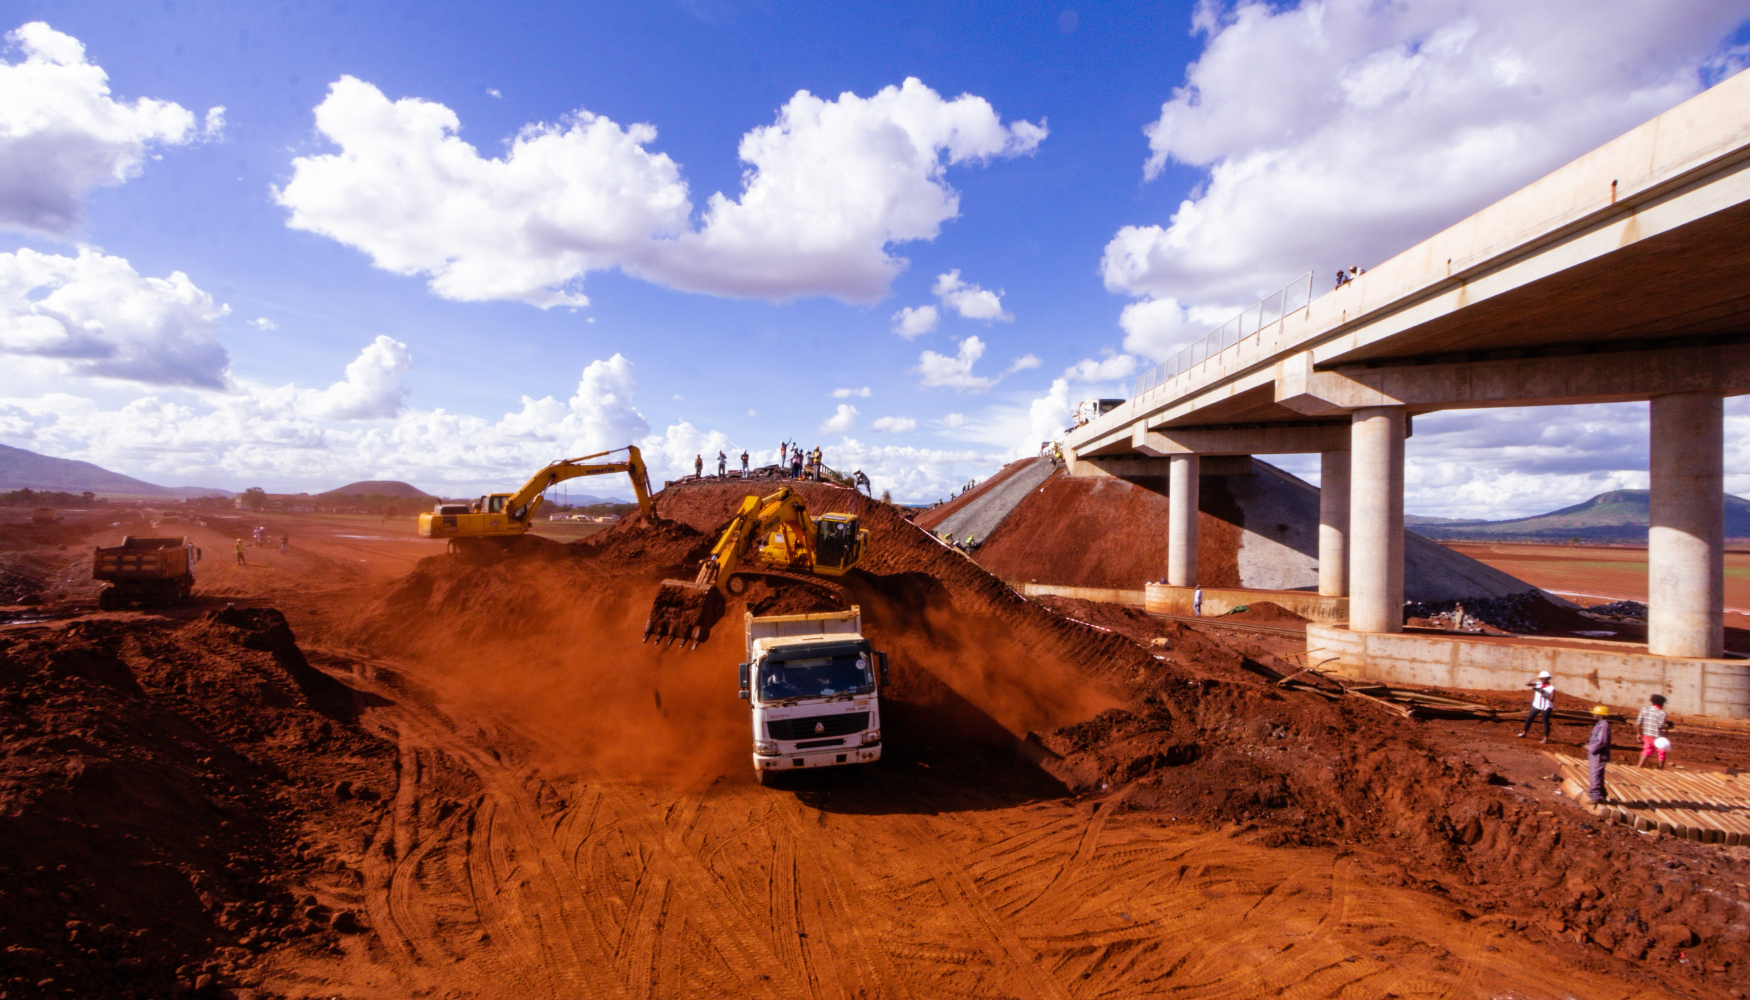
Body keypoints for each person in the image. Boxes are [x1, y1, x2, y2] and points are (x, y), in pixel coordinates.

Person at [1585, 705, 1612, 804]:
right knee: (1598, 775)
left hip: (1599, 754)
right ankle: (1601, 794)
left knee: (1594, 775)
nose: (1593, 714)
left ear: (1600, 715)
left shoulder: (1603, 725)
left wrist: (1590, 748)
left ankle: (1596, 796)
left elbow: (1602, 741)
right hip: (1596, 754)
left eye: (1595, 713)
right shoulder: (1600, 724)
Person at [1518, 670, 1555, 742]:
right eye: (1541, 678)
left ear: (1548, 679)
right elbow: (1527, 684)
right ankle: (1524, 733)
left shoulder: (1551, 688)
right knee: (1529, 718)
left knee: (1545, 722)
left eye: (1544, 678)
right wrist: (1535, 678)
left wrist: (1543, 694)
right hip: (1536, 705)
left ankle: (1545, 738)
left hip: (1546, 706)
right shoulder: (1538, 684)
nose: (1542, 680)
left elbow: (1551, 699)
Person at [1636, 694, 1670, 769]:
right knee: (1661, 752)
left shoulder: (1644, 709)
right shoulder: (1662, 713)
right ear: (1661, 703)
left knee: (1646, 750)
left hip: (1647, 735)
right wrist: (1667, 726)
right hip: (1658, 737)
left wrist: (1639, 733)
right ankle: (1660, 768)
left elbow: (1639, 723)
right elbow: (1660, 726)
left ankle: (1639, 766)